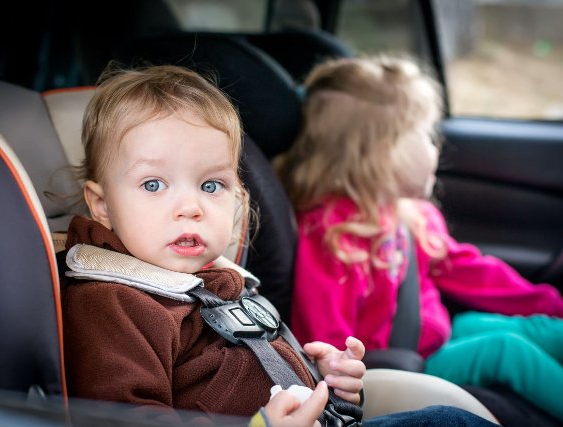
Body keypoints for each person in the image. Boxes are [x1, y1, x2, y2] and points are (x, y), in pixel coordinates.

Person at [59, 63, 499, 427]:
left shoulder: (218, 281)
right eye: (153, 184)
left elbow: (258, 371)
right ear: (102, 206)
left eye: (211, 184)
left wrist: (324, 379)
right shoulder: (113, 302)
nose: (190, 207)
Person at [277, 54, 563, 427]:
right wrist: (342, 376)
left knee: (526, 328)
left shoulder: (409, 213)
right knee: (507, 351)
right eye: (424, 135)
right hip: (400, 363)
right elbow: (325, 340)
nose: (436, 146)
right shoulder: (333, 237)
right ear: (380, 155)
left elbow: (473, 272)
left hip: (437, 334)